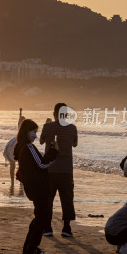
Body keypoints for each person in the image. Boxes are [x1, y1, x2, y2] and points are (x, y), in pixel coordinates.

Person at [14, 119, 57, 254]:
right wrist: (54, 152)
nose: (35, 135)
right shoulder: (28, 147)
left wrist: (50, 153)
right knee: (42, 217)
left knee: (39, 216)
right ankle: (32, 248)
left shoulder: (20, 147)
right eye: (33, 132)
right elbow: (42, 164)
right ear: (26, 131)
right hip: (39, 187)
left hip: (32, 187)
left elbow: (38, 162)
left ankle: (29, 247)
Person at [40, 102, 78, 238]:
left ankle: (47, 227)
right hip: (66, 170)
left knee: (48, 199)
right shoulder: (72, 128)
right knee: (67, 199)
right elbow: (75, 144)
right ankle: (66, 228)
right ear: (66, 114)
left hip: (50, 168)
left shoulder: (47, 126)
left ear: (54, 114)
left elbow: (41, 141)